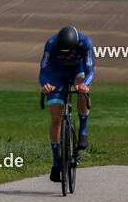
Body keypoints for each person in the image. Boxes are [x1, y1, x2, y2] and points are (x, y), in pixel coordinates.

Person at [39, 25, 94, 182]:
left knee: (82, 90)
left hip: (78, 72)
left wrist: (85, 84)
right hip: (57, 74)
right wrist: (45, 85)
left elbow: (90, 71)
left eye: (71, 53)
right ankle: (56, 163)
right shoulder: (51, 44)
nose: (69, 57)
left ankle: (83, 131)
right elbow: (43, 72)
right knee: (56, 118)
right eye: (65, 54)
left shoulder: (86, 43)